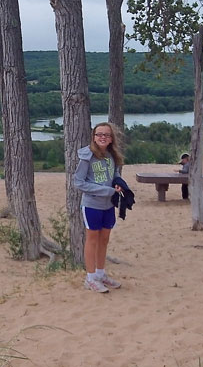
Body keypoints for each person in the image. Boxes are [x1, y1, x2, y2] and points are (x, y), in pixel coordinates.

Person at [73, 122, 124, 293]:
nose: (103, 137)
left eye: (107, 135)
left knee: (104, 239)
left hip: (108, 205)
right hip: (92, 205)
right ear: (94, 137)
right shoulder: (87, 156)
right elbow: (79, 182)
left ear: (111, 139)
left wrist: (118, 184)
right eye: (99, 134)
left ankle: (101, 274)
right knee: (92, 239)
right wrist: (105, 190)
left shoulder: (112, 156)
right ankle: (90, 277)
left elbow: (114, 174)